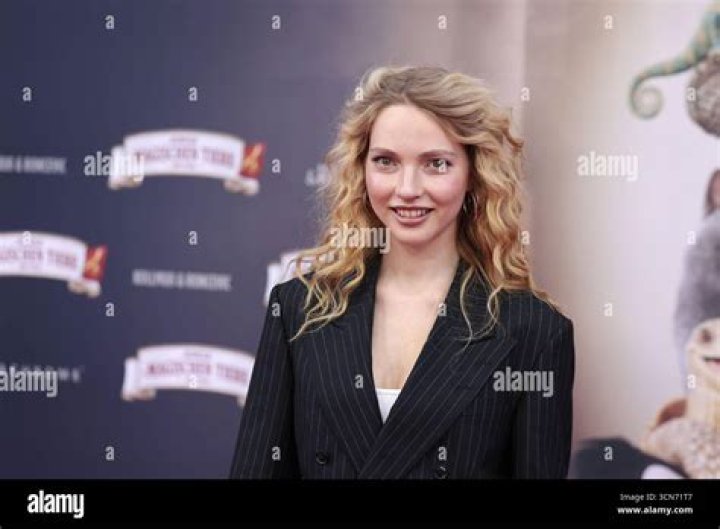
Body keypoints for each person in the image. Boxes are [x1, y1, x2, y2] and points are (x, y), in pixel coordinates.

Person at [229, 65, 575, 479]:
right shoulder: (298, 309)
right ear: (361, 169)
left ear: (473, 172)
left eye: (436, 164)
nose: (407, 189)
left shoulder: (534, 331)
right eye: (386, 161)